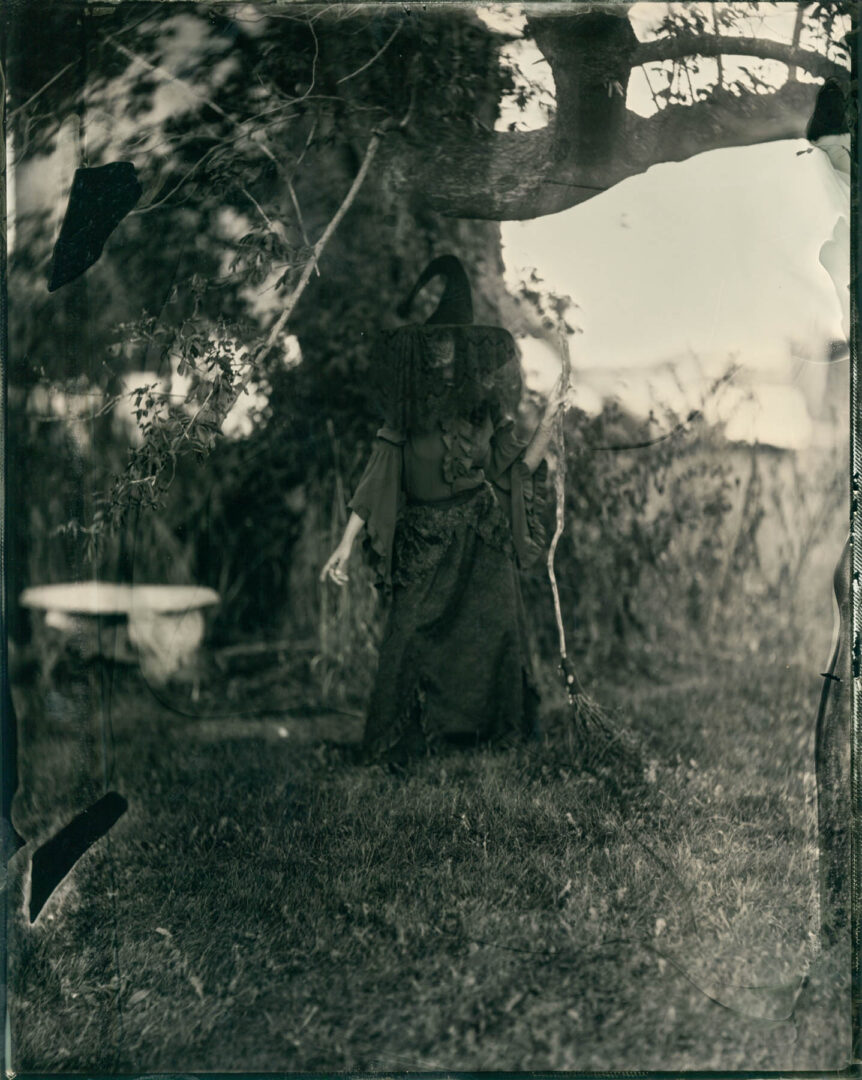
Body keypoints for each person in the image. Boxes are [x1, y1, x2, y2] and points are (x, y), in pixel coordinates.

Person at [321, 255, 566, 762]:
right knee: (407, 636)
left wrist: (547, 422)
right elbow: (378, 476)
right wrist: (345, 545)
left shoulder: (483, 408)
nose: (438, 351)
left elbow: (514, 469)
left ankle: (495, 734)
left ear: (463, 348)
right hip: (424, 541)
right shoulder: (407, 412)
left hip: (481, 536)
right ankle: (399, 742)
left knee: (498, 630)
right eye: (432, 342)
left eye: (447, 341)